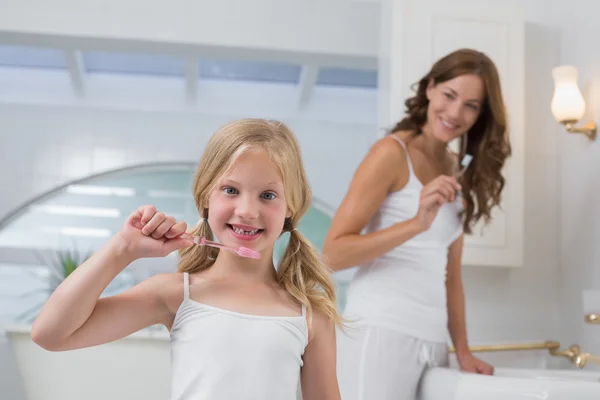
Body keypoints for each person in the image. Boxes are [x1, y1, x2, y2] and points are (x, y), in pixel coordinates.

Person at [31, 119, 343, 400]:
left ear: (291, 205)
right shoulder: (177, 294)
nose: (247, 210)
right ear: (206, 197)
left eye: (268, 195)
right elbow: (51, 334)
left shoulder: (310, 315)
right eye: (231, 190)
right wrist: (122, 249)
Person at [323, 48, 511, 399]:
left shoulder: (459, 170)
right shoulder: (391, 154)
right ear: (429, 88)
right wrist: (415, 224)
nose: (455, 113)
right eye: (449, 95)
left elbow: (451, 276)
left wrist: (463, 350)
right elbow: (332, 254)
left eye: (471, 105)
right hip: (380, 333)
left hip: (433, 342)